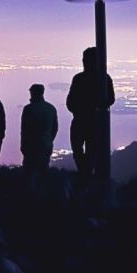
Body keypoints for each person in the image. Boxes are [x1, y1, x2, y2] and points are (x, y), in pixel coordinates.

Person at [67, 47, 115, 180]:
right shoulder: (101, 78)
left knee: (85, 150)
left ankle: (85, 175)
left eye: (86, 59)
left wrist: (82, 111)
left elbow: (110, 99)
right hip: (88, 121)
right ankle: (86, 174)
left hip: (86, 121)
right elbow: (110, 99)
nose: (84, 62)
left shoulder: (84, 78)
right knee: (84, 150)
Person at [20, 84, 58, 180]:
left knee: (29, 173)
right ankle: (42, 193)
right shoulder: (51, 108)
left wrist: (23, 145)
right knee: (43, 173)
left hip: (31, 146)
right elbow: (55, 129)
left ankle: (30, 193)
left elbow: (24, 130)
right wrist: (49, 140)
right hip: (46, 145)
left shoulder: (28, 109)